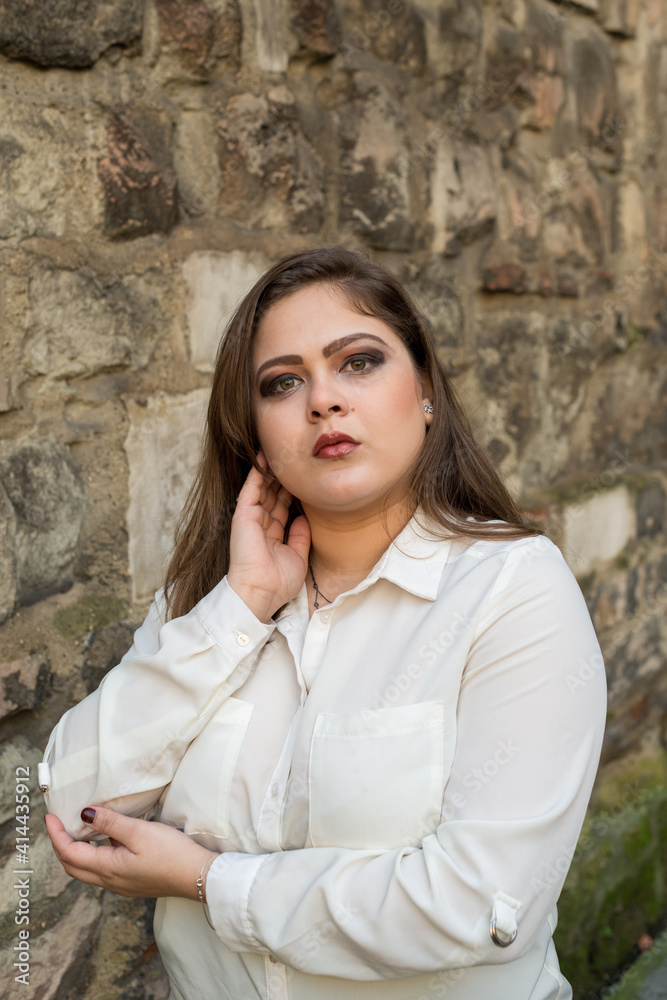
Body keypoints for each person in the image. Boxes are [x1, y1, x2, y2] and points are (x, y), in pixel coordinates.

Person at [43, 246, 607, 1000]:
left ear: (426, 390)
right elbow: (72, 807)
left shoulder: (511, 589)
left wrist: (211, 882)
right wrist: (239, 608)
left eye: (359, 362)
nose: (323, 401)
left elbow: (481, 909)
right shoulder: (206, 601)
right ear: (255, 438)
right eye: (283, 382)